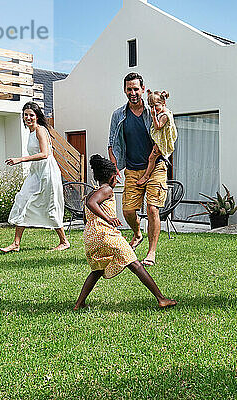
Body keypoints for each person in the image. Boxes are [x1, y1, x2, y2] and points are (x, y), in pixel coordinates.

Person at [74, 154, 176, 310]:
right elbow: (91, 203)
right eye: (116, 176)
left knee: (97, 270)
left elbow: (86, 215)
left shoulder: (93, 191)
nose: (118, 180)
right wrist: (108, 219)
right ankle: (161, 299)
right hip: (106, 234)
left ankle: (79, 303)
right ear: (112, 177)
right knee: (135, 264)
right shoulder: (106, 189)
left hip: (91, 237)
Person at [108, 73, 167, 267]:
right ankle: (137, 233)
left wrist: (157, 155)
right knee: (127, 211)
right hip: (132, 169)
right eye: (129, 89)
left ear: (143, 89)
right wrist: (114, 169)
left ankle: (151, 252)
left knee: (152, 208)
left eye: (136, 88)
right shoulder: (118, 114)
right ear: (124, 90)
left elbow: (167, 135)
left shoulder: (153, 112)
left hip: (156, 165)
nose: (133, 92)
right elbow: (112, 143)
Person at [0, 102, 70, 253]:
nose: (28, 117)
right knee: (23, 198)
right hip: (36, 173)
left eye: (31, 115)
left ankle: (64, 241)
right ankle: (16, 244)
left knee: (51, 205)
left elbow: (45, 154)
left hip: (48, 172)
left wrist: (20, 159)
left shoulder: (40, 130)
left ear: (37, 116)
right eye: (26, 114)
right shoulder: (30, 132)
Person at [136, 89, 178, 186]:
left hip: (162, 143)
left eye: (156, 106)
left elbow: (158, 126)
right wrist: (149, 94)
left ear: (163, 102)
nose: (153, 109)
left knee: (152, 158)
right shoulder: (163, 111)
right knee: (152, 158)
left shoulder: (165, 115)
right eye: (151, 106)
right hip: (160, 141)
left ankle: (146, 175)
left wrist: (154, 116)